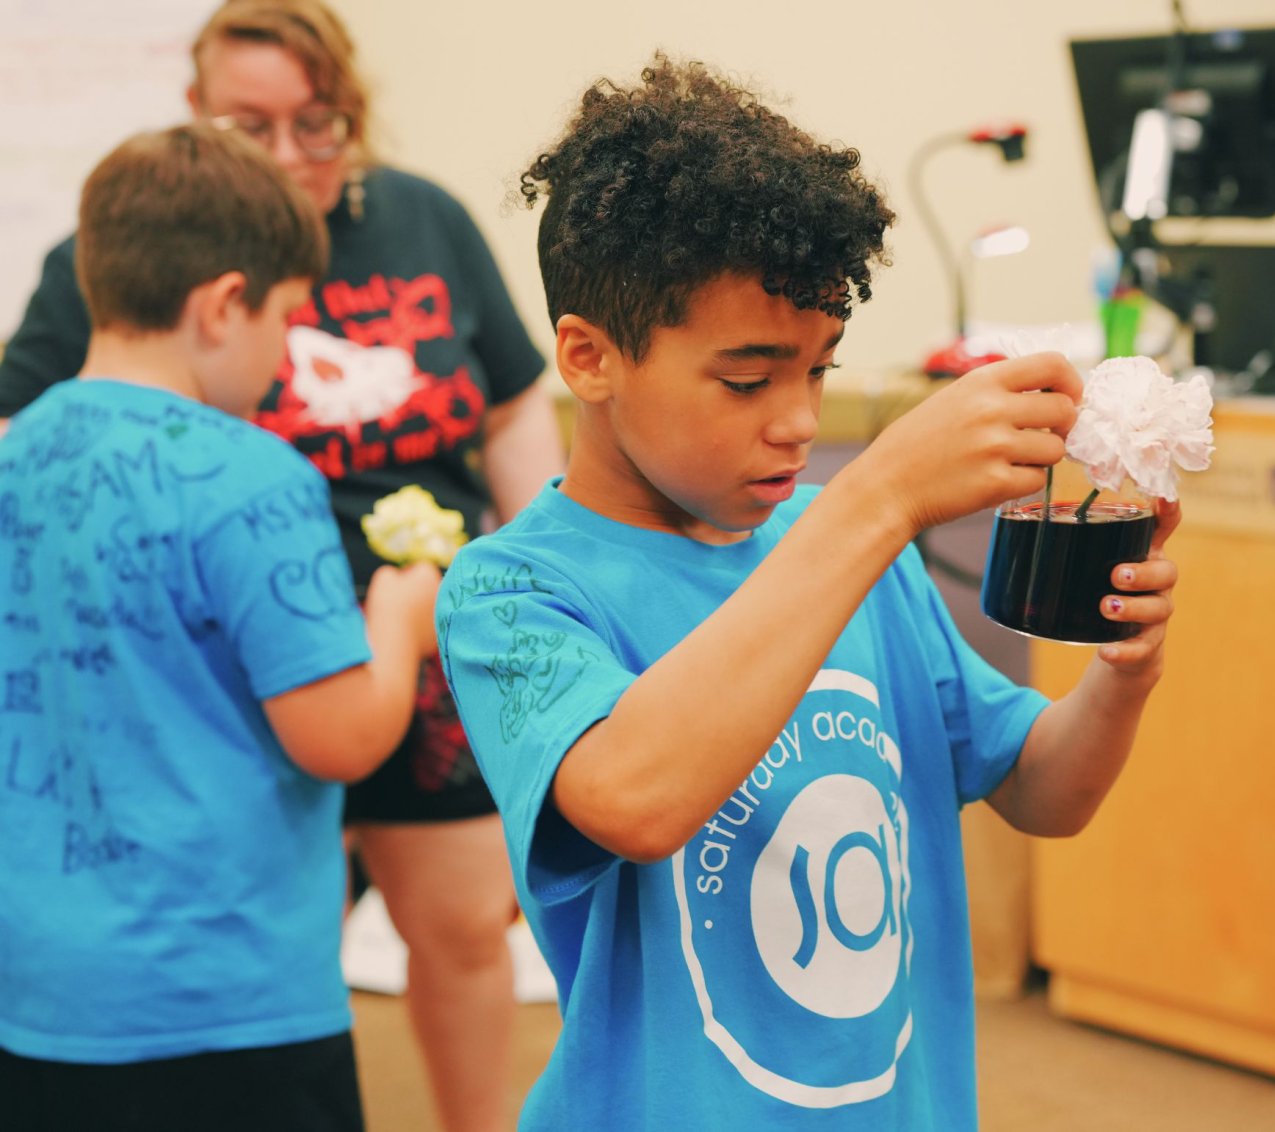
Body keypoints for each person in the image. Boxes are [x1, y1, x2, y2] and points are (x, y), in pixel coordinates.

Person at [437, 56, 1183, 1130]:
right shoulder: (513, 590)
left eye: (819, 369)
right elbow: (636, 798)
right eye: (746, 379)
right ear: (589, 358)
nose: (794, 419)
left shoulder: (847, 546)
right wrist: (872, 498)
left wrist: (1123, 675)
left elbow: (1042, 790)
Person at [0, 4, 559, 1128]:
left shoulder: (425, 221)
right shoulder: (257, 475)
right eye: (253, 126)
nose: (293, 152)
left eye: (318, 124)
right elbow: (341, 735)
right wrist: (399, 616)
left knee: (449, 924)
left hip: (51, 991)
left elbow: (513, 412)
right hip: (239, 980)